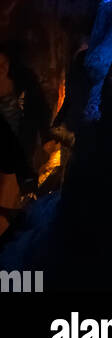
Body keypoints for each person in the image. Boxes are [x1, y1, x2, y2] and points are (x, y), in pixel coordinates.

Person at [0, 48, 64, 236]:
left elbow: (39, 107)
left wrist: (45, 137)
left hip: (23, 149)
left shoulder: (23, 80)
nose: (3, 68)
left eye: (4, 63)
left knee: (21, 192)